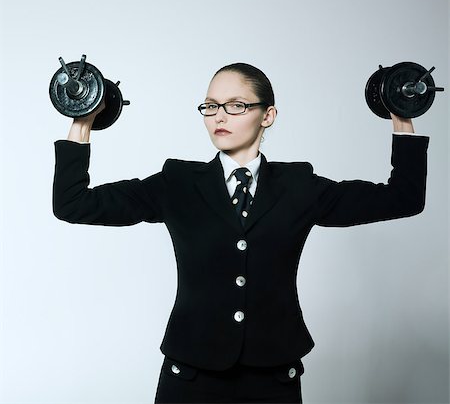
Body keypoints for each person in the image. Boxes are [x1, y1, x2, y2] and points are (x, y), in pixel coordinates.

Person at [53, 63, 429, 403]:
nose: (220, 116)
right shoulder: (177, 183)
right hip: (191, 377)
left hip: (273, 379)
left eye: (236, 105)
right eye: (211, 106)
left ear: (268, 116)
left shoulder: (299, 186)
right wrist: (83, 118)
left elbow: (403, 198)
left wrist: (402, 112)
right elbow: (74, 204)